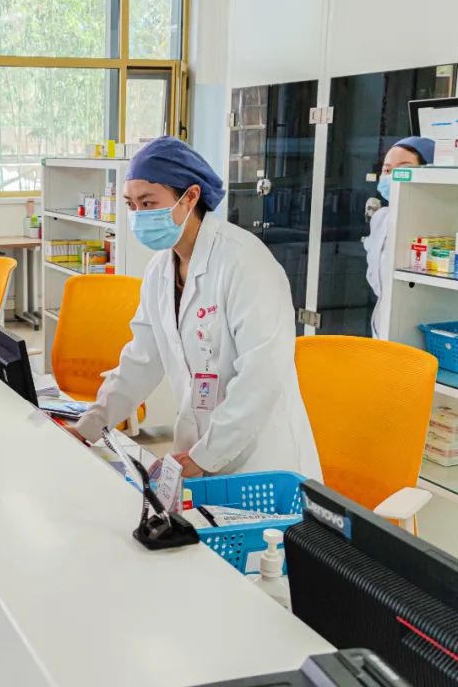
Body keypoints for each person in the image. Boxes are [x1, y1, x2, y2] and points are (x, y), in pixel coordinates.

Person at [73, 137, 322, 480]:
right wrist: (88, 426)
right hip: (198, 451)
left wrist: (206, 456)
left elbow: (262, 376)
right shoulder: (160, 270)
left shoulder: (245, 262)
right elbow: (141, 359)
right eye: (131, 205)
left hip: (262, 461)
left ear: (190, 197)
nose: (139, 216)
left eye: (148, 203)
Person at [363, 136, 435, 337]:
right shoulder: (381, 218)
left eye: (404, 168)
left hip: (422, 320)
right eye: (387, 170)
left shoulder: (436, 221)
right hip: (383, 317)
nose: (392, 176)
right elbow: (375, 277)